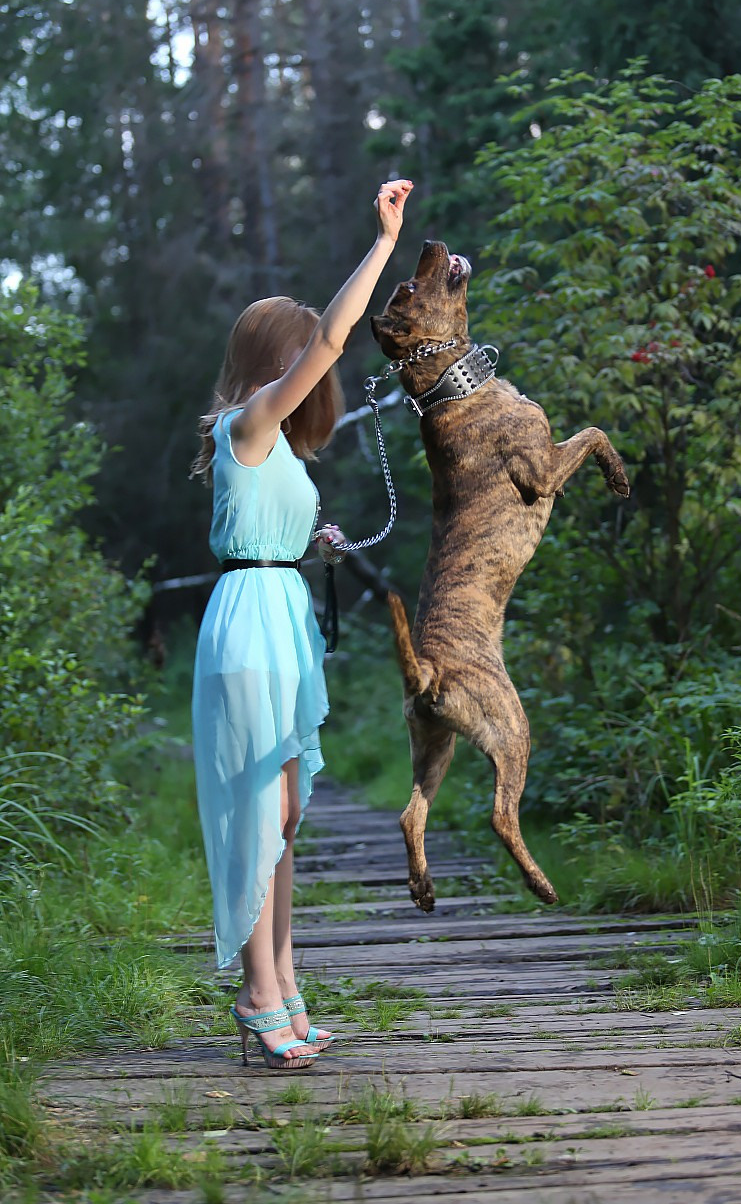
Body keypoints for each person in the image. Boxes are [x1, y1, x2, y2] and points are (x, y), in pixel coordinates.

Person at [190, 178, 413, 1070]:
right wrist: (384, 242)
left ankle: (282, 978)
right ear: (269, 362)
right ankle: (257, 993)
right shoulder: (248, 421)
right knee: (258, 811)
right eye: (298, 357)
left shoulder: (277, 445)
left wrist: (308, 540)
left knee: (281, 819)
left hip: (279, 614)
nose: (315, 369)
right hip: (248, 624)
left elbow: (268, 522)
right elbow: (331, 337)